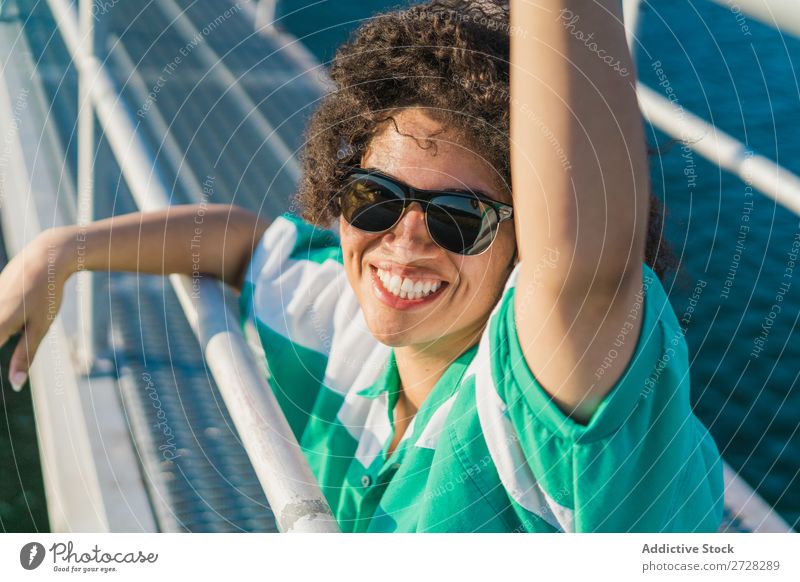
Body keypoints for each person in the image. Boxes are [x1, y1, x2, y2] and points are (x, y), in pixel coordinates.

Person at [0, 0, 723, 532]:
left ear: (524, 249)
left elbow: (583, 268)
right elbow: (241, 245)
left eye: (459, 219)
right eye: (375, 199)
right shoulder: (342, 317)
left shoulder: (530, 401)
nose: (404, 240)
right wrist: (63, 250)